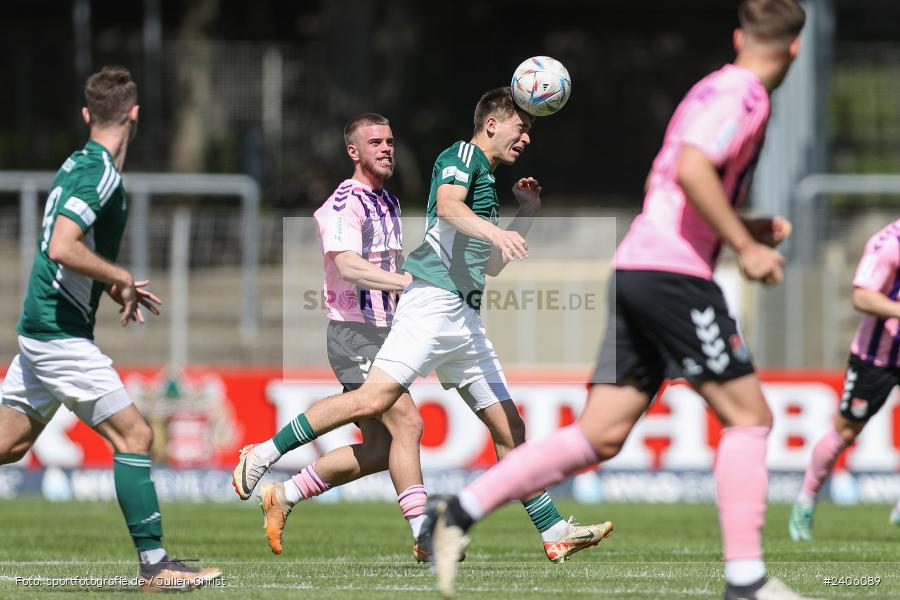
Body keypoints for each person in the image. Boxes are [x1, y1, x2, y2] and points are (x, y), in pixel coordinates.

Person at [427, 2, 818, 599]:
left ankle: (456, 513)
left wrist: (743, 227)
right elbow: (692, 170)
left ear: (740, 36)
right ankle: (746, 581)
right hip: (672, 274)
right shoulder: (744, 96)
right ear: (794, 48)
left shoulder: (708, 89)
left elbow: (672, 185)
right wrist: (744, 246)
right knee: (750, 418)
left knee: (600, 435)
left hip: (638, 264)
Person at [233, 88, 612, 563]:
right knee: (376, 402)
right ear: (491, 124)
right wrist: (497, 231)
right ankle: (264, 453)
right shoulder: (462, 156)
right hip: (431, 305)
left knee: (508, 426)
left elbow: (492, 264)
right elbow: (449, 206)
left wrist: (526, 215)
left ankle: (553, 530)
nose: (526, 138)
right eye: (522, 127)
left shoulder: (486, 183)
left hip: (464, 319)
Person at [0, 66, 221, 592]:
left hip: (43, 327)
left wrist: (110, 284)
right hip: (58, 333)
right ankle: (156, 567)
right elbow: (62, 246)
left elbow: (66, 248)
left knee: (9, 445)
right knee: (136, 434)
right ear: (135, 115)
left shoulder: (76, 164)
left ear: (87, 114)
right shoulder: (98, 173)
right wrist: (119, 276)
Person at [236, 113, 430, 559]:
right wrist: (406, 284)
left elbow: (388, 266)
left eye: (390, 141)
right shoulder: (344, 202)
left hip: (388, 333)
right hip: (355, 331)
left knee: (381, 449)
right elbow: (348, 264)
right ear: (353, 151)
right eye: (375, 142)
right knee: (409, 423)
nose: (386, 149)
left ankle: (284, 495)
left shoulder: (389, 201)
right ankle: (424, 534)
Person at [789, 219, 900, 539]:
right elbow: (862, 297)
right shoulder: (889, 244)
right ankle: (806, 499)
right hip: (876, 357)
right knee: (846, 431)